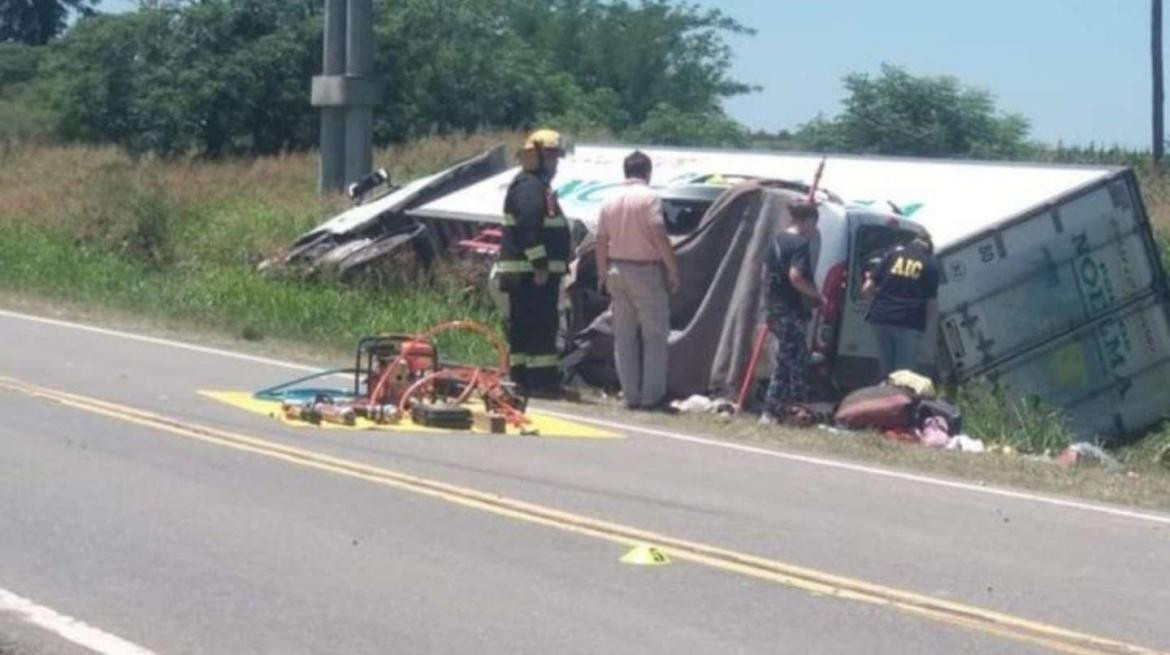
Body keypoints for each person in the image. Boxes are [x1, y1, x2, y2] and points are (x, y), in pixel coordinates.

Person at [595, 151, 680, 411]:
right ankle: (651, 397)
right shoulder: (649, 197)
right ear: (647, 172)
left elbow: (600, 239)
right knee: (654, 335)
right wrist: (672, 268)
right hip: (645, 270)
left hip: (616, 268)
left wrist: (601, 272)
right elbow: (658, 233)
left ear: (625, 171)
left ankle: (630, 394)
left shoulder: (609, 199)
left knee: (624, 337)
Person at [496, 129, 573, 399]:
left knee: (525, 328)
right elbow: (529, 228)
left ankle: (523, 380)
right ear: (537, 157)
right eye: (552, 157)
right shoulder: (530, 188)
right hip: (531, 275)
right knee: (540, 328)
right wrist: (540, 263)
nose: (556, 163)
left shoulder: (535, 186)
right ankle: (540, 383)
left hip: (529, 274)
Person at [761, 201, 824, 424]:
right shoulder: (800, 244)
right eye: (814, 224)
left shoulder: (775, 240)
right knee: (791, 360)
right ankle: (780, 409)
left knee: (791, 358)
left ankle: (785, 408)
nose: (813, 229)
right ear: (808, 220)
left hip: (774, 307)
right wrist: (817, 295)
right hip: (791, 308)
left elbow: (765, 273)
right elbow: (796, 277)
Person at [861, 234, 940, 379]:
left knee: (886, 372)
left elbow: (867, 288)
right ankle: (899, 400)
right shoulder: (930, 265)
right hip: (908, 322)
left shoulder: (892, 255)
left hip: (881, 318)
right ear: (929, 247)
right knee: (903, 376)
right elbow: (931, 304)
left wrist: (876, 305)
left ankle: (884, 397)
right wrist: (925, 330)